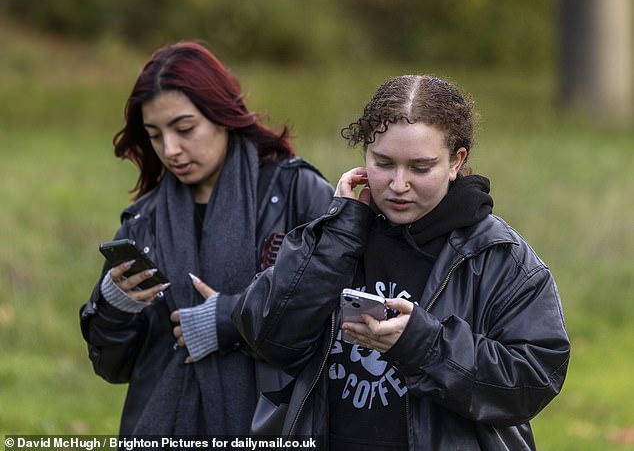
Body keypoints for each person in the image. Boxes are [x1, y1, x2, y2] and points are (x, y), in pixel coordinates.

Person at [229, 74, 570, 449]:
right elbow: (268, 335)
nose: (398, 184)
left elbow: (533, 380)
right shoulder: (333, 236)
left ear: (456, 162)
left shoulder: (501, 257)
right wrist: (338, 235)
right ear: (363, 157)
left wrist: (424, 346)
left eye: (420, 168)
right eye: (383, 163)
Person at [79, 41, 333, 436]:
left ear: (224, 115)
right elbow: (115, 367)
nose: (170, 150)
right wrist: (113, 307)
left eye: (184, 129)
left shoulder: (298, 194)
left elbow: (331, 317)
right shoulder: (143, 222)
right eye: (155, 135)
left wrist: (231, 321)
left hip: (273, 431)